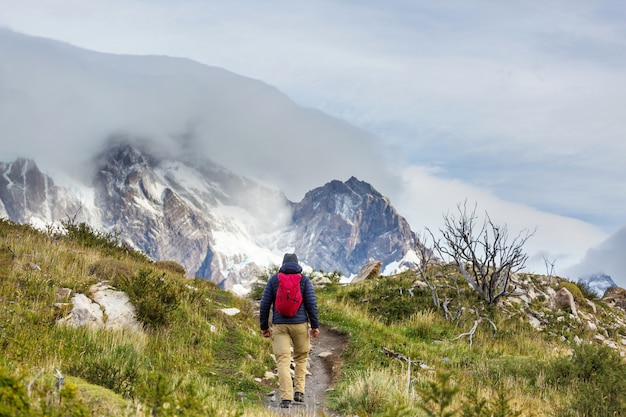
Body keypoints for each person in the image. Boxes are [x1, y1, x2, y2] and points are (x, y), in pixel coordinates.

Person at [259, 253, 320, 409]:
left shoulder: (274, 280)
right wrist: (315, 326)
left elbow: (265, 304)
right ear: (297, 264)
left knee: (283, 361)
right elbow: (312, 304)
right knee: (300, 358)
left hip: (280, 326)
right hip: (300, 324)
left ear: (283, 264)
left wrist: (264, 327)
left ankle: (286, 398)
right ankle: (299, 391)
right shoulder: (304, 280)